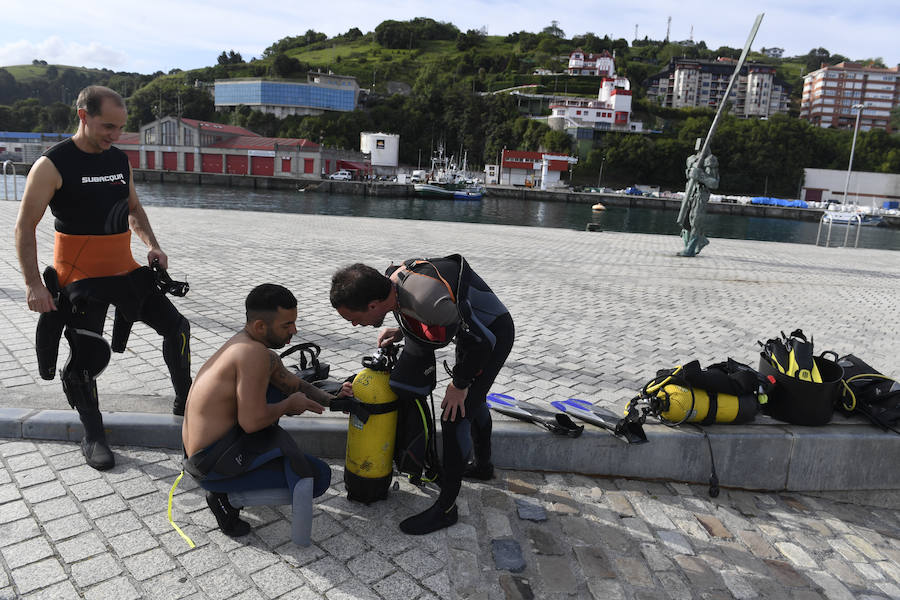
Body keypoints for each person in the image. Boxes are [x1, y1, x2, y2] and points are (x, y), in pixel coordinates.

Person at [14, 85, 192, 471]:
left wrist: (152, 244)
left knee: (177, 328)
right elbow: (24, 226)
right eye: (107, 126)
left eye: (121, 128)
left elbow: (133, 208)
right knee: (85, 358)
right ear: (83, 115)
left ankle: (186, 402)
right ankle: (93, 433)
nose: (115, 135)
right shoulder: (52, 164)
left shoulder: (118, 159)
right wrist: (33, 285)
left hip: (123, 268)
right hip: (78, 276)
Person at [330, 255, 514, 535]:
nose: (355, 325)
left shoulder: (429, 303)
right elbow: (414, 308)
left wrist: (460, 385)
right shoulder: (389, 282)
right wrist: (403, 330)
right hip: (470, 334)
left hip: (492, 336)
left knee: (455, 415)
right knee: (475, 401)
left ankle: (446, 509)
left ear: (373, 305)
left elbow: (483, 342)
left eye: (354, 319)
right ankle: (484, 467)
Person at [182, 284, 351, 541]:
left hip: (203, 451)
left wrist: (334, 398)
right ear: (260, 326)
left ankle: (238, 482)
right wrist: (287, 406)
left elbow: (293, 383)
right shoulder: (253, 355)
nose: (294, 330)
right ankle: (227, 497)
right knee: (318, 477)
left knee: (277, 389)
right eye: (287, 325)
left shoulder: (247, 344)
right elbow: (251, 422)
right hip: (211, 465)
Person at [676, 150, 720, 257]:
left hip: (700, 194)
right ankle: (696, 242)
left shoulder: (710, 161)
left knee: (696, 221)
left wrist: (701, 176)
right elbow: (688, 175)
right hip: (690, 192)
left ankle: (690, 249)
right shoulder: (691, 159)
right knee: (685, 220)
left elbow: (714, 183)